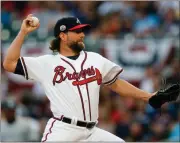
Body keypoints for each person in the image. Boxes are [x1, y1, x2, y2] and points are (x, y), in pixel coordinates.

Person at [3, 14, 179, 142]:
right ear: (63, 36)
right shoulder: (46, 62)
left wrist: (148, 96)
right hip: (64, 129)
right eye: (77, 31)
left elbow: (116, 83)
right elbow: (9, 64)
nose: (82, 34)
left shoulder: (95, 58)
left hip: (92, 131)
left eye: (82, 31)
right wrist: (23, 32)